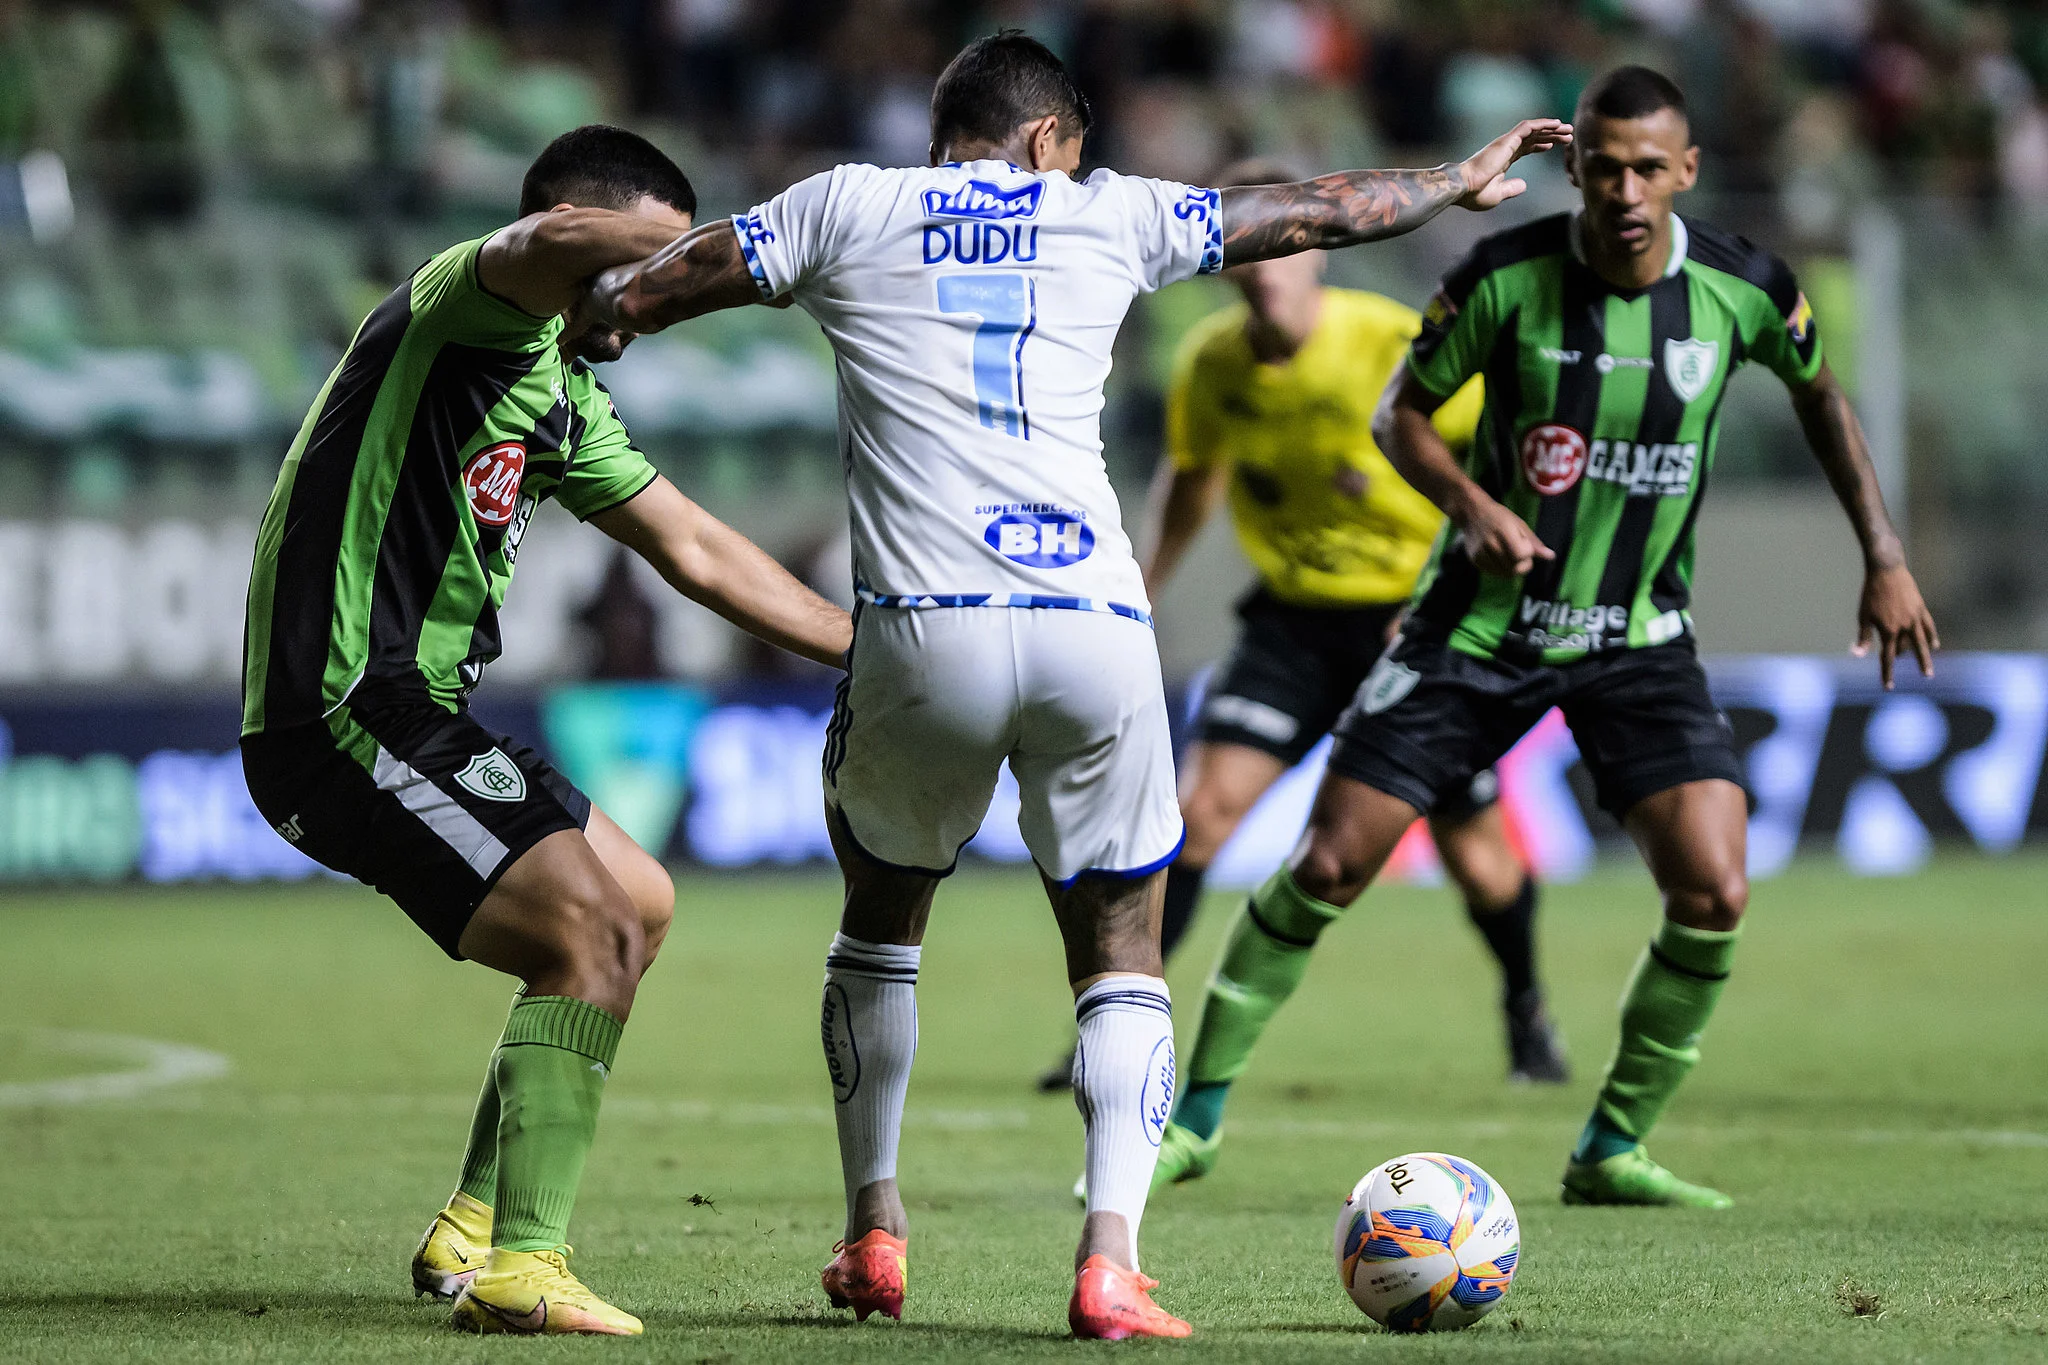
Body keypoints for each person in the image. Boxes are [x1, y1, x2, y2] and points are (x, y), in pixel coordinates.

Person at [585, 30, 1568, 1338]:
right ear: (1052, 142)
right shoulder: (1107, 212)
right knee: (1121, 949)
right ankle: (1111, 1260)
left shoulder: (842, 204)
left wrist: (586, 313)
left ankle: (874, 1230)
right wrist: (1457, 176)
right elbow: (1318, 212)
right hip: (1091, 624)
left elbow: (650, 292)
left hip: (920, 628)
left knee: (880, 924)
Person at [1156, 65, 1938, 1212]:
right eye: (1603, 165)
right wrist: (1470, 508)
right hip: (1476, 626)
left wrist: (1881, 554)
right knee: (1325, 863)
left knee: (1715, 887)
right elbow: (1400, 417)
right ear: (1571, 167)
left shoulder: (1744, 290)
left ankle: (1609, 1147)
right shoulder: (1502, 279)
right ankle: (1196, 1122)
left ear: (1685, 171)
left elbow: (1822, 397)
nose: (1623, 189)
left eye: (1646, 168)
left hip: (1638, 635)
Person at [238, 125, 853, 1337]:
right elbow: (553, 238)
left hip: (415, 716)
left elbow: (693, 546)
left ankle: (472, 1224)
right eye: (642, 276)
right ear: (585, 241)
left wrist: (866, 647)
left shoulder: (563, 395)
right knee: (595, 922)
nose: (650, 305)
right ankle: (527, 1265)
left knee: (641, 898)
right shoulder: (463, 310)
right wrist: (753, 239)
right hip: (346, 711)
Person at [1036, 156, 1568, 1115]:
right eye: (1246, 251)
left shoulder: (1387, 341)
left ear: (1319, 250)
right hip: (1292, 623)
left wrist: (1462, 583)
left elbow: (1492, 461)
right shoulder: (1212, 364)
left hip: (1413, 621)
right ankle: (1123, 1021)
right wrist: (1140, 587)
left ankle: (1527, 1010)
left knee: (1478, 854)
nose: (1264, 266)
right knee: (1197, 816)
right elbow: (1192, 484)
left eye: (1282, 248)